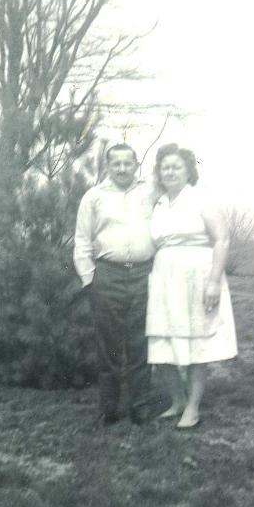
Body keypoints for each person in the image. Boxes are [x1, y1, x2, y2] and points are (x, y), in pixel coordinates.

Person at [74, 143, 170, 425]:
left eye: (127, 163)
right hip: (107, 275)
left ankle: (140, 405)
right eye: (116, 163)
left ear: (136, 164)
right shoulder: (93, 197)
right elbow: (82, 240)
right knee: (110, 344)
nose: (122, 168)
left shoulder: (150, 191)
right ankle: (109, 407)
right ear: (107, 166)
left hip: (144, 273)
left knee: (141, 340)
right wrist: (89, 280)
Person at [146, 143, 237, 428]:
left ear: (188, 171)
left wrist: (214, 281)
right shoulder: (159, 203)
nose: (170, 172)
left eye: (176, 167)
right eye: (165, 167)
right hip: (163, 277)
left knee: (198, 342)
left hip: (198, 275)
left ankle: (193, 408)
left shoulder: (201, 199)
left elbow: (222, 239)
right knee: (161, 342)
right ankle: (177, 401)